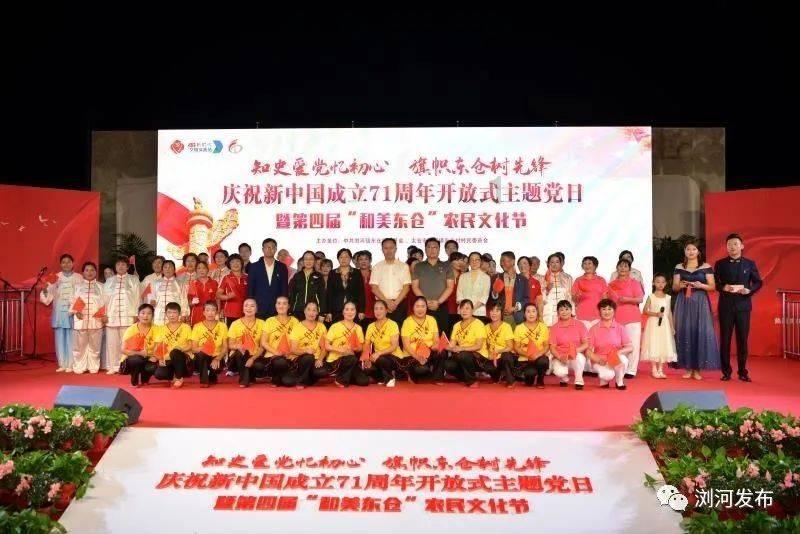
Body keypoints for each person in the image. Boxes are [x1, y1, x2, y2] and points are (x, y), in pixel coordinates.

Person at [714, 233, 763, 382]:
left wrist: (749, 290)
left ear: (742, 246)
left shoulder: (749, 264)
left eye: (735, 244)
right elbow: (715, 282)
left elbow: (758, 282)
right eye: (729, 244)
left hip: (743, 306)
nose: (732, 247)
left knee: (742, 340)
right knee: (725, 339)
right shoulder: (720, 264)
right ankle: (726, 372)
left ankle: (742, 372)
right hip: (726, 306)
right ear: (726, 247)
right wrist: (723, 287)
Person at [673, 239, 720, 380]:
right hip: (684, 302)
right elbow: (675, 287)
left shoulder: (706, 266)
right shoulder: (679, 266)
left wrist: (701, 285)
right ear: (684, 251)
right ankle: (688, 368)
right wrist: (680, 285)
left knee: (699, 332)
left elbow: (712, 286)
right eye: (688, 249)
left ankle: (697, 369)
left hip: (700, 302)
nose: (691, 252)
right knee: (685, 331)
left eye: (694, 249)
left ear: (698, 251)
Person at [40, 254, 83, 372]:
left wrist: (77, 310)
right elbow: (47, 295)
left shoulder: (79, 277)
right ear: (60, 264)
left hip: (72, 312)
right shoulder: (55, 277)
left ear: (73, 263)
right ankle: (62, 364)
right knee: (60, 339)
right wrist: (45, 290)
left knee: (72, 339)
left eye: (69, 262)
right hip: (59, 312)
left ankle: (71, 364)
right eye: (64, 262)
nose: (66, 264)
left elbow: (82, 295)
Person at [316, 301, 369, 387]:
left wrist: (352, 349)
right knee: (352, 358)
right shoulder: (335, 326)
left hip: (350, 360)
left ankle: (345, 376)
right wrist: (340, 350)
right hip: (335, 360)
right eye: (347, 309)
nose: (349, 312)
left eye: (352, 309)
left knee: (364, 381)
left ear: (356, 312)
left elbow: (360, 348)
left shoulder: (358, 328)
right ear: (343, 312)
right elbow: (327, 345)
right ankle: (340, 380)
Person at [607, 259, 644, 377]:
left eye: (625, 266)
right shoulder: (611, 285)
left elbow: (640, 299)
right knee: (616, 344)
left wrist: (628, 299)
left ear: (629, 269)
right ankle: (617, 367)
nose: (623, 268)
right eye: (620, 266)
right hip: (616, 317)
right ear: (617, 268)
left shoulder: (634, 283)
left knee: (633, 344)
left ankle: (631, 370)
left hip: (633, 317)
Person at [103, 257, 140, 375]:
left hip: (128, 316)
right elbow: (104, 300)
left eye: (123, 264)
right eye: (118, 264)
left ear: (127, 267)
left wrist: (136, 315)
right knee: (112, 343)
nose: (120, 266)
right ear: (115, 267)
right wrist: (104, 314)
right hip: (111, 316)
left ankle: (126, 366)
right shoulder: (109, 281)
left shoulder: (134, 280)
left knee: (127, 343)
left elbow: (138, 298)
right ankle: (112, 366)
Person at [412, 239, 455, 335]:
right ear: (425, 249)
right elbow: (415, 287)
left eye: (435, 247)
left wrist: (438, 302)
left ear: (439, 249)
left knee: (442, 335)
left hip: (441, 306)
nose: (432, 250)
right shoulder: (418, 266)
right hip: (423, 307)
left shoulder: (447, 266)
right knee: (423, 335)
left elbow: (450, 287)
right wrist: (425, 302)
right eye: (429, 247)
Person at [587, 299, 633, 390]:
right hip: (601, 360)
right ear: (599, 311)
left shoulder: (620, 328)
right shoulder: (593, 329)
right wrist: (597, 359)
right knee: (608, 376)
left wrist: (618, 352)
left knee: (623, 359)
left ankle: (619, 381)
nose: (607, 312)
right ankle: (604, 378)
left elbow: (630, 347)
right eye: (604, 309)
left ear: (614, 311)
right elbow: (588, 350)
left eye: (609, 309)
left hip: (615, 358)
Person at [70, 262, 106, 374]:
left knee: (95, 345)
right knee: (79, 345)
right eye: (87, 270)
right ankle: (79, 366)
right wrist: (76, 311)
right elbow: (72, 300)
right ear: (83, 273)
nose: (89, 272)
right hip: (81, 319)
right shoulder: (77, 287)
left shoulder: (101, 286)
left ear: (96, 272)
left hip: (96, 320)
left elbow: (105, 302)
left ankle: (93, 366)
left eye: (92, 270)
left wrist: (104, 315)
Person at [401, 296, 447, 384]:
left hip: (429, 351)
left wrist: (436, 345)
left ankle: (438, 378)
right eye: (417, 306)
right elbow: (406, 346)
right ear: (413, 307)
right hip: (413, 354)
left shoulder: (431, 320)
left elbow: (436, 339)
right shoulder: (407, 322)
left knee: (441, 352)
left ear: (426, 307)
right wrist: (418, 357)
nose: (420, 309)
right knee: (421, 370)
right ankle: (411, 374)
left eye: (423, 306)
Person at [449, 300, 493, 387]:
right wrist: (448, 346)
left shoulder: (478, 324)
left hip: (478, 357)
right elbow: (452, 344)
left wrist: (462, 348)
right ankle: (465, 377)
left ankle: (472, 381)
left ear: (472, 310)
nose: (464, 311)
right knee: (448, 364)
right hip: (462, 355)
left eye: (467, 308)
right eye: (462, 308)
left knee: (464, 355)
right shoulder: (456, 325)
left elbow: (478, 346)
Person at [641, 274, 677, 379]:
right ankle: (654, 369)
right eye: (657, 282)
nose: (660, 284)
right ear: (653, 283)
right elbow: (645, 310)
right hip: (653, 323)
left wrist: (672, 326)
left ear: (665, 284)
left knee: (663, 344)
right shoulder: (651, 296)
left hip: (664, 324)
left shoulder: (668, 297)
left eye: (662, 282)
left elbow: (669, 313)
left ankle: (661, 369)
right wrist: (655, 314)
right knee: (654, 343)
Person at [370, 238, 412, 326]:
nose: (388, 251)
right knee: (382, 331)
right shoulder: (377, 267)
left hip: (399, 305)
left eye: (391, 248)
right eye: (386, 248)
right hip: (381, 306)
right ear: (382, 250)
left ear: (395, 249)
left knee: (399, 330)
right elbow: (374, 288)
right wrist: (386, 302)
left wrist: (395, 304)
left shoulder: (404, 266)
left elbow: (406, 287)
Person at [548, 300, 589, 390]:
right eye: (561, 310)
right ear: (558, 312)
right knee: (560, 372)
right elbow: (552, 348)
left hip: (575, 355)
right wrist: (559, 357)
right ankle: (564, 378)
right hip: (561, 356)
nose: (564, 312)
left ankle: (579, 379)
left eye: (567, 309)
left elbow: (586, 343)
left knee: (580, 358)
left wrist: (575, 351)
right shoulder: (554, 328)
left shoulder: (579, 324)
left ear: (571, 310)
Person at [261, 296, 301, 387]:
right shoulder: (269, 321)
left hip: (291, 356)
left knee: (289, 382)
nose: (281, 306)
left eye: (284, 303)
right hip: (274, 356)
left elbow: (299, 340)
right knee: (280, 362)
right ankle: (278, 377)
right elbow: (263, 342)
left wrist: (293, 352)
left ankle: (282, 377)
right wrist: (276, 352)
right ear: (275, 305)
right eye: (279, 303)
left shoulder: (295, 321)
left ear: (289, 306)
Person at [365, 300, 407, 387]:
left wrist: (378, 353)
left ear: (386, 310)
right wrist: (366, 358)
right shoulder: (370, 326)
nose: (378, 311)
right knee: (367, 369)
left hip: (394, 356)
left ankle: (390, 378)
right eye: (376, 309)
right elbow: (366, 345)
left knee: (381, 360)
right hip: (378, 357)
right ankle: (382, 377)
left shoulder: (392, 324)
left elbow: (394, 346)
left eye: (381, 309)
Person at [228, 298, 267, 388]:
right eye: (246, 306)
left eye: (252, 306)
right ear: (242, 309)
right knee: (239, 353)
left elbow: (262, 347)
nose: (249, 308)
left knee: (259, 366)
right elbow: (230, 345)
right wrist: (238, 346)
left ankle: (250, 375)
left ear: (256, 309)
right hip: (238, 356)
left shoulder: (262, 323)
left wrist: (252, 358)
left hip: (255, 355)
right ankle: (244, 380)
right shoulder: (235, 324)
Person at [152, 302, 192, 388]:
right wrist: (159, 358)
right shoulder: (161, 329)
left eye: (174, 312)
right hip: (167, 359)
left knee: (175, 352)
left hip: (183, 357)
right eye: (169, 312)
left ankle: (179, 378)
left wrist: (181, 349)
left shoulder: (186, 327)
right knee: (159, 374)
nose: (172, 315)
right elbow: (156, 347)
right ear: (166, 314)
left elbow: (190, 345)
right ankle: (174, 374)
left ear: (179, 314)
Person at [287, 301, 327, 388]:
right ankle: (301, 382)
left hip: (315, 360)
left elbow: (324, 348)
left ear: (317, 312)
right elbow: (293, 349)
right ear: (304, 311)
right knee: (308, 357)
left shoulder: (321, 326)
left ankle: (303, 378)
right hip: (300, 359)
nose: (311, 313)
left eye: (314, 310)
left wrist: (320, 359)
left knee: (322, 372)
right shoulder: (297, 327)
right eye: (308, 309)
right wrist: (305, 350)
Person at [248, 238, 290, 320]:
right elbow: (250, 288)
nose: (269, 249)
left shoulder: (282, 267)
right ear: (263, 249)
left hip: (277, 308)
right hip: (259, 307)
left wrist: (284, 306)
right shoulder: (254, 267)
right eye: (267, 247)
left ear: (276, 249)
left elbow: (284, 288)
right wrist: (251, 306)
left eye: (272, 247)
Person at [190, 301, 228, 388]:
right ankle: (204, 380)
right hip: (202, 357)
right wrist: (204, 348)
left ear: (217, 312)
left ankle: (212, 375)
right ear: (204, 312)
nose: (210, 313)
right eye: (207, 310)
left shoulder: (223, 326)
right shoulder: (197, 326)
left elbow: (225, 347)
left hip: (216, 356)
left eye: (213, 310)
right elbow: (193, 348)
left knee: (216, 368)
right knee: (201, 354)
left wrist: (218, 358)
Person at [120, 304, 158, 388]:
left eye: (149, 313)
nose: (146, 316)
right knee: (136, 359)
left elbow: (160, 346)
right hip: (133, 357)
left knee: (154, 365)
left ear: (153, 316)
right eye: (143, 313)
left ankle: (145, 378)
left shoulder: (157, 329)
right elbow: (123, 350)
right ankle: (134, 381)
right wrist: (140, 353)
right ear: (138, 315)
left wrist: (156, 356)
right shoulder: (131, 329)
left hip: (150, 357)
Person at [512, 304, 550, 388]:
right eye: (528, 311)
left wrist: (537, 354)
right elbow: (516, 347)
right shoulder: (519, 328)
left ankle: (540, 380)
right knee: (529, 379)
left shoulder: (543, 327)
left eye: (533, 311)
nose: (531, 314)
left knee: (543, 361)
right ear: (524, 314)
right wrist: (528, 354)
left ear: (537, 313)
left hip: (539, 357)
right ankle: (528, 377)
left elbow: (546, 346)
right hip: (525, 358)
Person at [489, 251, 530, 328]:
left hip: (517, 318)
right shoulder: (495, 278)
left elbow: (526, 299)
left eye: (504, 260)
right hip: (499, 317)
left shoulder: (523, 280)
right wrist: (494, 292)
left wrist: (515, 308)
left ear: (513, 262)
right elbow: (490, 300)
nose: (501, 263)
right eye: (500, 261)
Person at [326, 248, 365, 323]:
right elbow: (329, 293)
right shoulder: (332, 273)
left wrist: (361, 310)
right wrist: (329, 312)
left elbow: (361, 292)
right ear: (338, 259)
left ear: (350, 258)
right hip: (336, 309)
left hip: (353, 309)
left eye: (346, 257)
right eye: (341, 257)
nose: (343, 259)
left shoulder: (356, 272)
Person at [485, 304, 518, 388]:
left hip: (503, 355)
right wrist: (488, 354)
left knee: (506, 356)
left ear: (501, 313)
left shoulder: (506, 326)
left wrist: (498, 351)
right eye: (492, 310)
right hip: (491, 356)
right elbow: (485, 345)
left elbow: (510, 347)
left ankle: (511, 380)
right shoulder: (485, 327)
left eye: (497, 311)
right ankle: (497, 376)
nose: (494, 313)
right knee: (486, 365)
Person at [572, 256, 607, 330]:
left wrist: (605, 314)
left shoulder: (601, 280)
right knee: (584, 337)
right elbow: (574, 299)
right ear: (582, 266)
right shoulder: (578, 280)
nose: (587, 265)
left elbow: (605, 299)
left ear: (595, 266)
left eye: (589, 263)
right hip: (582, 315)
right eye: (585, 263)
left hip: (598, 315)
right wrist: (577, 296)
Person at [289, 251, 327, 320]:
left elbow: (322, 296)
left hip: (313, 312)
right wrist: (290, 311)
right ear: (303, 261)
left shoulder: (319, 276)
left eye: (311, 259)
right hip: (298, 312)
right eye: (306, 259)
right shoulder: (297, 276)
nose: (308, 261)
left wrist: (322, 314)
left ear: (314, 261)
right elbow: (292, 295)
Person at [150, 260, 188, 325]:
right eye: (165, 267)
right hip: (159, 315)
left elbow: (184, 299)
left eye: (170, 267)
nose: (168, 269)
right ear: (162, 270)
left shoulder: (180, 283)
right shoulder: (156, 283)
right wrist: (152, 301)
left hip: (174, 314)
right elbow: (153, 298)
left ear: (174, 270)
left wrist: (184, 314)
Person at [457, 252, 491, 323]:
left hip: (479, 312)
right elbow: (459, 295)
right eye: (472, 260)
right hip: (463, 312)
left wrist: (472, 309)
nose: (474, 262)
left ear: (481, 262)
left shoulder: (486, 277)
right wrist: (466, 309)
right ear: (469, 262)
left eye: (477, 260)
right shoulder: (463, 276)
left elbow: (484, 297)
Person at [541, 253, 574, 326]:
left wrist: (572, 313)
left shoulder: (567, 278)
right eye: (552, 262)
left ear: (561, 264)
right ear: (548, 264)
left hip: (564, 313)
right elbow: (540, 300)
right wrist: (547, 290)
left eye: (557, 262)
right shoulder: (542, 279)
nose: (554, 264)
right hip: (548, 314)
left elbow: (570, 296)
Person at [217, 254, 248, 327]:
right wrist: (227, 297)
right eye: (232, 262)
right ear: (229, 265)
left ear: (241, 263)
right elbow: (218, 295)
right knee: (231, 333)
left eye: (237, 261)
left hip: (246, 311)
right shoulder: (226, 278)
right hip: (230, 312)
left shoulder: (247, 277)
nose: (235, 264)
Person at [186, 261, 218, 325]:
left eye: (204, 268)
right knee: (197, 330)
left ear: (208, 270)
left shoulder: (214, 283)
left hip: (211, 312)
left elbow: (217, 299)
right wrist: (192, 302)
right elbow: (189, 303)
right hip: (197, 312)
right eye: (199, 268)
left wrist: (218, 312)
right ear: (196, 270)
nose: (201, 270)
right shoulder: (193, 283)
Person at [356, 250, 376, 328]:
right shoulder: (353, 275)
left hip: (374, 312)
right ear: (357, 262)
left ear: (370, 260)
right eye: (361, 259)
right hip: (357, 313)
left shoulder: (375, 274)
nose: (363, 261)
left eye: (366, 259)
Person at [446, 252, 467, 328]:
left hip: (461, 311)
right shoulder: (444, 275)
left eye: (461, 260)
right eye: (456, 260)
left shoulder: (465, 277)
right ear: (450, 262)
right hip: (446, 310)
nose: (459, 263)